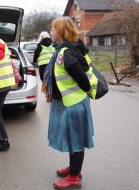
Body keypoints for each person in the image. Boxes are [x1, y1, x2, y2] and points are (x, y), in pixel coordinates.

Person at [42, 17, 94, 189]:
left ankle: (74, 177)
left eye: (53, 29)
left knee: (76, 139)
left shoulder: (66, 53)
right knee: (73, 138)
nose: (51, 32)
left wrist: (82, 92)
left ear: (62, 32)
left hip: (73, 103)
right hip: (70, 101)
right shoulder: (63, 49)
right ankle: (74, 168)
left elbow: (83, 80)